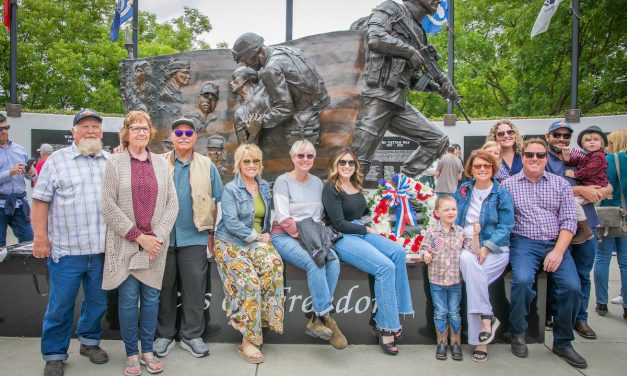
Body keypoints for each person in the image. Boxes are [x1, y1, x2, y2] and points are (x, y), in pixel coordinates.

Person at [31, 109, 110, 376]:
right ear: (74, 132)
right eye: (84, 126)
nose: (90, 130)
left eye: (95, 126)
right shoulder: (57, 161)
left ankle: (89, 342)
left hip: (101, 251)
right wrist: (40, 238)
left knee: (97, 303)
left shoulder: (110, 161)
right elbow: (40, 201)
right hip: (66, 252)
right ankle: (54, 353)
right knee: (60, 305)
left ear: (101, 132)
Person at [100, 110, 179, 376]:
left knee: (151, 299)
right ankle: (131, 354)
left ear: (150, 132)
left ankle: (148, 350)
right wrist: (138, 236)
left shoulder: (161, 164)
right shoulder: (115, 162)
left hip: (155, 246)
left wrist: (156, 237)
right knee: (128, 299)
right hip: (126, 244)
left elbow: (172, 204)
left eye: (145, 127)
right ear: (126, 132)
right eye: (135, 128)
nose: (141, 132)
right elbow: (108, 206)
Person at [502, 138, 586, 369]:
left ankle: (563, 342)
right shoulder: (508, 186)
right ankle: (517, 332)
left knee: (571, 287)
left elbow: (570, 221)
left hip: (555, 243)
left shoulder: (560, 185)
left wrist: (559, 251)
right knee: (522, 281)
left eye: (540, 155)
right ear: (522, 157)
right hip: (524, 243)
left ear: (546, 158)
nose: (535, 159)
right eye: (529, 155)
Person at [321, 147, 413, 355]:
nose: (346, 166)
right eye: (342, 162)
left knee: (397, 253)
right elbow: (339, 223)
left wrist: (375, 220)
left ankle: (397, 313)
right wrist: (365, 228)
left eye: (350, 163)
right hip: (342, 237)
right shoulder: (330, 189)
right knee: (384, 267)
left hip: (362, 231)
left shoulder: (355, 185)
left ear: (356, 166)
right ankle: (386, 327)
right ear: (335, 165)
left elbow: (363, 214)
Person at [349, 0, 450, 177]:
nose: (439, 1)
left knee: (438, 141)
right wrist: (410, 51)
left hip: (398, 101)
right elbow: (375, 37)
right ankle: (345, 200)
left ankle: (398, 189)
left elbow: (409, 78)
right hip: (376, 98)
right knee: (357, 162)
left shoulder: (419, 31)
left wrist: (436, 87)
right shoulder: (392, 8)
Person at [153, 117, 224, 359]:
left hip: (195, 237)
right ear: (172, 137)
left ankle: (192, 336)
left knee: (194, 289)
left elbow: (217, 203)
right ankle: (164, 334)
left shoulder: (207, 165)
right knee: (165, 288)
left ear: (195, 137)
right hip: (162, 238)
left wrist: (212, 237)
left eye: (188, 132)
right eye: (179, 132)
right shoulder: (158, 163)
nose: (183, 136)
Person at [271, 140, 347, 349]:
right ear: (292, 158)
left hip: (312, 236)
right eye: (300, 156)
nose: (305, 160)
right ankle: (325, 317)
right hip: (285, 236)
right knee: (315, 262)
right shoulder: (282, 182)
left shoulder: (317, 183)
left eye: (309, 156)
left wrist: (317, 238)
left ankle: (315, 317)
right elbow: (284, 218)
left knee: (334, 262)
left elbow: (320, 217)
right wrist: (308, 241)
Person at [214, 143, 284, 363]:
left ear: (260, 164)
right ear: (239, 165)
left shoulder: (263, 186)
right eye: (247, 161)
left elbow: (265, 217)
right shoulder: (230, 189)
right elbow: (231, 222)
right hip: (230, 242)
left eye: (255, 161)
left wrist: (266, 236)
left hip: (257, 240)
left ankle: (263, 324)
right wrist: (257, 237)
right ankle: (247, 340)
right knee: (249, 283)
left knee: (274, 265)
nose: (251, 165)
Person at [544, 120, 613, 340]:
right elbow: (544, 187)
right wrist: (581, 189)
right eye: (557, 135)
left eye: (566, 135)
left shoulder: (584, 157)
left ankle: (580, 319)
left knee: (583, 274)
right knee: (558, 276)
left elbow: (606, 184)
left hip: (588, 224)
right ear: (549, 136)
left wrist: (602, 191)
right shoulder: (542, 159)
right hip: (558, 227)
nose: (562, 139)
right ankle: (556, 316)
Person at [454, 150, 514, 362]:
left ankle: (483, 333)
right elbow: (454, 218)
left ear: (493, 169)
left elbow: (506, 226)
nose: (482, 170)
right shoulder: (463, 190)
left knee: (472, 279)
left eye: (486, 166)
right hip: (467, 246)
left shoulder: (501, 193)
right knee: (468, 264)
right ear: (470, 169)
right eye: (477, 166)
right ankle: (484, 330)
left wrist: (486, 248)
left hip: (495, 248)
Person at [231, 32, 330, 146]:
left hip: (302, 125)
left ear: (253, 54)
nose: (246, 65)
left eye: (244, 60)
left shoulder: (270, 69)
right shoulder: (284, 51)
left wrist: (258, 123)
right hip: (313, 112)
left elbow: (285, 109)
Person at [421, 195, 476, 361]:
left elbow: (472, 249)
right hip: (436, 280)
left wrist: (477, 235)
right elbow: (426, 249)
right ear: (437, 213)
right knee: (440, 312)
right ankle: (442, 342)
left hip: (454, 281)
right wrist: (426, 255)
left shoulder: (460, 233)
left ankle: (456, 343)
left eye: (453, 209)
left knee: (454, 312)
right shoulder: (433, 232)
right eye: (446, 209)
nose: (451, 212)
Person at [593, 130, 627, 320]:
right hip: (625, 215)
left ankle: (602, 303)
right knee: (626, 262)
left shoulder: (610, 161)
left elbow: (600, 187)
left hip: (608, 215)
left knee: (602, 258)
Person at [562, 126, 609, 244]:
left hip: (595, 185)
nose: (592, 142)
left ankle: (585, 230)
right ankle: (595, 228)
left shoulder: (599, 156)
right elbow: (577, 162)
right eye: (588, 140)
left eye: (595, 140)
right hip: (591, 186)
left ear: (602, 143)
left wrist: (575, 174)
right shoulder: (587, 155)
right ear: (583, 144)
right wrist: (567, 158)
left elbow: (590, 170)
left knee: (574, 202)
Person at [0, 113, 35, 246]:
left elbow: (31, 176)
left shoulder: (20, 149)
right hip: (0, 203)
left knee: (29, 240)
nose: (4, 132)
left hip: (19, 203)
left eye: (6, 127)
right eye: (0, 129)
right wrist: (9, 172)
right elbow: (11, 173)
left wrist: (31, 172)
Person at [230, 66, 269, 144]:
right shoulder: (239, 113)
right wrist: (253, 134)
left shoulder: (266, 93)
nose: (231, 82)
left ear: (245, 79)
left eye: (234, 78)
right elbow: (243, 149)